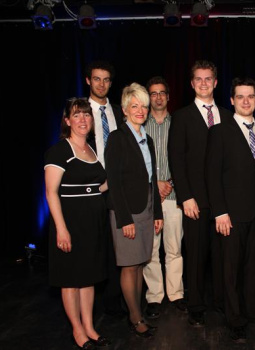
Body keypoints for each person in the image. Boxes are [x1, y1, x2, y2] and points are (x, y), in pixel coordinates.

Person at [206, 77, 255, 343]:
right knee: (231, 269)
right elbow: (212, 176)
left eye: (251, 96)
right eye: (240, 97)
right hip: (231, 215)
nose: (246, 101)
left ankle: (252, 310)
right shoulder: (220, 131)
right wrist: (220, 213)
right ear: (232, 100)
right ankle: (234, 318)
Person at [168, 60, 232, 327]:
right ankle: (195, 304)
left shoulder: (229, 116)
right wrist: (185, 196)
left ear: (216, 82)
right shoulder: (181, 116)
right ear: (192, 83)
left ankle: (220, 300)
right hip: (194, 200)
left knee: (222, 255)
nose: (204, 83)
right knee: (194, 255)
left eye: (209, 79)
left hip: (224, 202)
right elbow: (176, 159)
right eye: (199, 79)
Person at [44, 98, 111, 349]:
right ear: (67, 120)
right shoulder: (59, 151)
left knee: (88, 277)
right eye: (77, 115)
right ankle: (77, 330)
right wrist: (61, 228)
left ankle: (90, 327)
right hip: (70, 223)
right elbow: (51, 192)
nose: (83, 119)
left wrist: (120, 177)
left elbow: (97, 186)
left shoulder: (92, 150)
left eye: (87, 115)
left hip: (93, 223)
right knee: (71, 278)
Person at [105, 83, 164, 338]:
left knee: (140, 264)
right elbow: (114, 182)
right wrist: (124, 218)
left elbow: (153, 179)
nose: (140, 110)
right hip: (127, 211)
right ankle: (135, 317)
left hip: (148, 208)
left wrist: (158, 213)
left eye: (144, 106)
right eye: (134, 106)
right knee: (129, 266)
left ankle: (136, 312)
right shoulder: (118, 138)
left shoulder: (147, 139)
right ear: (126, 110)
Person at [84, 60, 126, 317]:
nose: (102, 84)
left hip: (117, 186)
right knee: (92, 244)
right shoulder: (79, 112)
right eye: (97, 79)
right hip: (91, 186)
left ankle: (114, 300)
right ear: (88, 80)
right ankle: (92, 302)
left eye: (106, 79)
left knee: (117, 246)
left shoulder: (120, 111)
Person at [142, 76, 187, 319]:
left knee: (174, 248)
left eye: (162, 93)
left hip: (173, 195)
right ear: (148, 97)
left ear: (168, 97)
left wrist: (169, 183)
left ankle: (176, 294)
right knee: (150, 250)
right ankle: (154, 296)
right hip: (148, 197)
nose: (158, 97)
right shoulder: (138, 123)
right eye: (153, 93)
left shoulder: (178, 122)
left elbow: (185, 159)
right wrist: (153, 184)